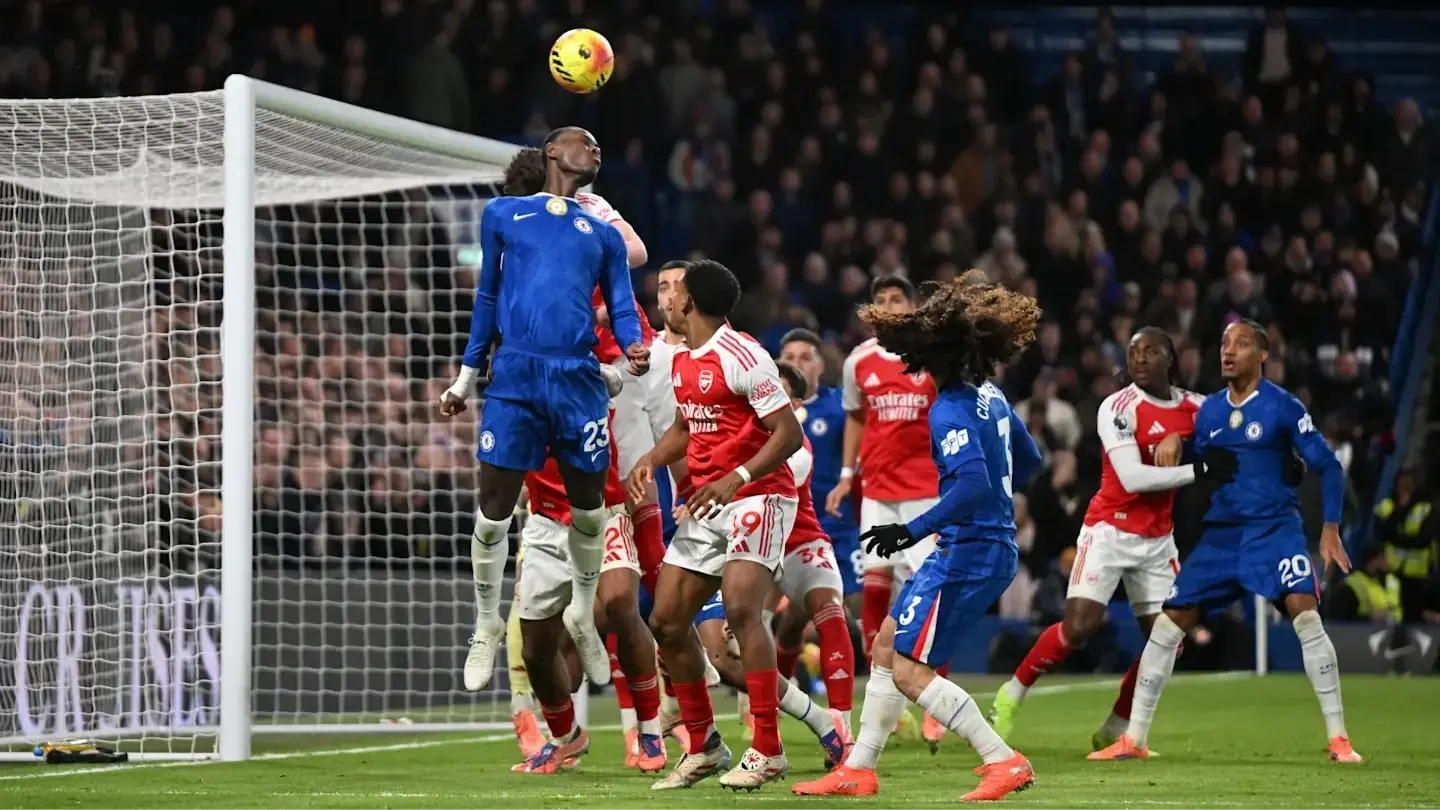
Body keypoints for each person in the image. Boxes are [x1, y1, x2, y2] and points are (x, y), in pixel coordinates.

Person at [794, 272, 1044, 802]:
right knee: (887, 644)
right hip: (981, 545)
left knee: (908, 670)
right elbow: (1030, 461)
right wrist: (996, 504)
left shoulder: (949, 407)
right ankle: (858, 769)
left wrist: (911, 530)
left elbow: (973, 483)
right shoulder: (991, 395)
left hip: (969, 551)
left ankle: (1002, 759)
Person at [1091, 319, 1362, 763]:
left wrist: (1329, 527)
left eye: (1240, 344)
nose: (1228, 351)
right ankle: (1134, 739)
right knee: (1169, 623)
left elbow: (1327, 464)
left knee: (1305, 614)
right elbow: (1203, 454)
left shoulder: (1283, 407)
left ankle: (1339, 740)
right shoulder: (1211, 411)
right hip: (1223, 535)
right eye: (1224, 343)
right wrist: (1179, 441)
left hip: (1274, 530)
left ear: (1262, 355)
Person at [442, 127, 649, 694]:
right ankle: (486, 623)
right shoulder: (503, 214)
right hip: (516, 377)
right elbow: (487, 297)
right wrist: (465, 377)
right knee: (493, 509)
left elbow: (623, 303)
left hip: (576, 380)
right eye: (585, 141)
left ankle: (582, 611)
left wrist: (632, 344)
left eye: (599, 143)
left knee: (591, 509)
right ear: (552, 151)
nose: (596, 148)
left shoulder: (602, 233)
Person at [989, 328, 1239, 747]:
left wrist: (1184, 440)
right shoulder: (1118, 407)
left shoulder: (1198, 407)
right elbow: (1133, 477)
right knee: (1078, 628)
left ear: (1170, 359)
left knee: (1169, 641)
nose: (1139, 358)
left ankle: (1117, 726)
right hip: (1109, 530)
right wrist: (1199, 468)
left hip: (1157, 540)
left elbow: (1232, 435)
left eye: (1150, 352)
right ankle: (1011, 694)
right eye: (1133, 351)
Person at [627, 259, 805, 791]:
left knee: (742, 609)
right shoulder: (682, 359)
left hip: (759, 494)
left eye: (675, 292)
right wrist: (650, 460)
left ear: (691, 302)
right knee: (665, 621)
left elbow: (788, 433)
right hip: (709, 502)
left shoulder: (743, 355)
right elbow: (688, 425)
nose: (667, 300)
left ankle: (768, 749)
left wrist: (738, 476)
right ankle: (704, 744)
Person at [825, 275, 945, 746]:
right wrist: (846, 474)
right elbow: (856, 418)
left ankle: (935, 703)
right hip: (877, 491)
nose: (889, 307)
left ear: (913, 307)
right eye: (881, 300)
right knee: (874, 591)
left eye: (897, 299)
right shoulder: (859, 361)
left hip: (925, 492)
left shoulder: (932, 358)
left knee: (931, 594)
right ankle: (886, 704)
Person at [508, 430, 666, 773]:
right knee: (535, 649)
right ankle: (566, 737)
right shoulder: (519, 406)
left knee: (621, 603)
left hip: (604, 514)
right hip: (547, 526)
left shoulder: (600, 393)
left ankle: (650, 729)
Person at [770, 360, 858, 748]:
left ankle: (841, 729)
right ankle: (763, 725)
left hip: (798, 543)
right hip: (745, 547)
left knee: (830, 611)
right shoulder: (732, 434)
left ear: (796, 406)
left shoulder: (798, 448)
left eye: (780, 394)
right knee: (733, 647)